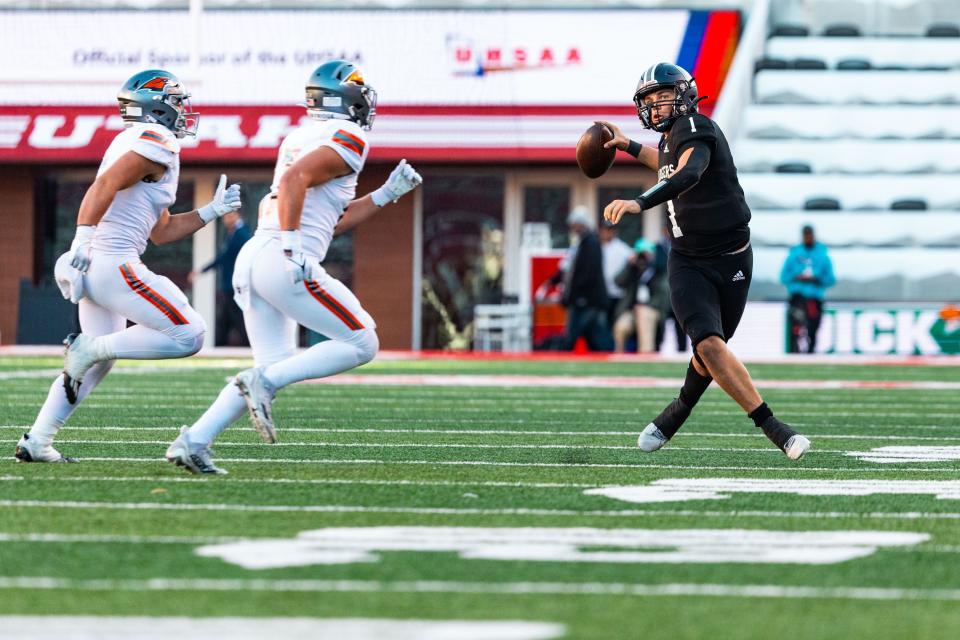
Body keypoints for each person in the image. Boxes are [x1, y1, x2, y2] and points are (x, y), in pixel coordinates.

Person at [165, 60, 422, 474]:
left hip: (258, 255)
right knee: (361, 343)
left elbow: (326, 215)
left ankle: (193, 441)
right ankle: (258, 388)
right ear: (345, 98)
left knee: (271, 367)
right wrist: (292, 246)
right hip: (281, 255)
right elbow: (293, 184)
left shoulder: (302, 135)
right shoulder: (349, 134)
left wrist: (387, 193)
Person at [15, 69, 242, 463]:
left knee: (95, 364)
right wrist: (81, 239)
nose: (182, 110)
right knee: (189, 334)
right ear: (155, 106)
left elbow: (163, 231)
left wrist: (210, 211)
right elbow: (101, 188)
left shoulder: (138, 143)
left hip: (96, 265)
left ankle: (38, 440)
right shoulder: (156, 138)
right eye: (175, 102)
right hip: (109, 262)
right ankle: (89, 348)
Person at [599, 62, 810, 460]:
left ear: (683, 95)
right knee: (710, 345)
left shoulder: (696, 128)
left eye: (661, 97)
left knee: (708, 352)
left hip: (731, 259)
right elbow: (662, 161)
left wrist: (639, 202)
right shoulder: (670, 139)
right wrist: (626, 145)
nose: (655, 107)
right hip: (688, 260)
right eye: (649, 100)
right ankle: (776, 430)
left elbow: (689, 172)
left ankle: (675, 413)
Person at [536, 207, 613, 352]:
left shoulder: (591, 243)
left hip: (587, 301)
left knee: (575, 338)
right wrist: (552, 282)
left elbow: (587, 274)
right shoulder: (581, 243)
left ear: (581, 224)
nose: (572, 228)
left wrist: (573, 295)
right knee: (595, 339)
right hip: (585, 300)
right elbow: (567, 268)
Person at [190, 210, 253, 346]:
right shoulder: (233, 233)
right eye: (224, 217)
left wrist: (202, 270)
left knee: (236, 318)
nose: (226, 220)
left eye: (229, 216)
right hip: (229, 285)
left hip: (234, 285)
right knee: (227, 319)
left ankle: (248, 344)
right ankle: (221, 343)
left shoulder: (241, 234)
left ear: (238, 215)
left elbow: (223, 257)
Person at [780, 225, 835, 353]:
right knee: (795, 329)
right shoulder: (794, 255)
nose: (808, 238)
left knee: (813, 330)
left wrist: (816, 279)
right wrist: (797, 277)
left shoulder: (823, 255)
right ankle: (794, 354)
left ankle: (811, 354)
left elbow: (830, 279)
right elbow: (784, 277)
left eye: (809, 235)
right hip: (797, 298)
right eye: (806, 235)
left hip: (814, 299)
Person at [611, 238, 660, 353]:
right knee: (621, 327)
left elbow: (662, 295)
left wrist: (646, 306)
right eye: (641, 254)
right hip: (632, 310)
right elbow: (618, 281)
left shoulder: (658, 270)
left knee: (644, 317)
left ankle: (645, 355)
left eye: (646, 254)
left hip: (651, 310)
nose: (643, 257)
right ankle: (620, 356)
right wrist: (629, 265)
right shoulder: (633, 270)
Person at [599, 220, 634, 328]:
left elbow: (632, 261)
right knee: (604, 325)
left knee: (616, 324)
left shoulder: (622, 249)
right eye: (605, 230)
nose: (607, 233)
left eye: (610, 230)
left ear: (614, 231)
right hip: (603, 293)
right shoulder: (598, 247)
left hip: (619, 294)